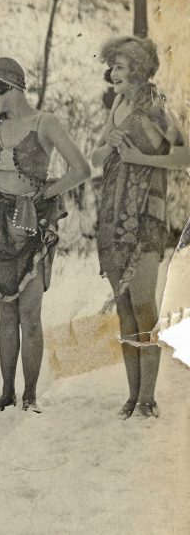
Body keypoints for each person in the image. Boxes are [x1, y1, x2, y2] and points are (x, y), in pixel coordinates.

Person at [0, 57, 91, 414]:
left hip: (32, 223)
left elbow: (81, 168)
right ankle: (6, 392)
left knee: (30, 313)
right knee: (6, 313)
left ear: (10, 89)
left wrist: (49, 191)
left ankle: (29, 395)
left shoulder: (45, 123)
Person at [91, 36, 188, 419]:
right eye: (111, 65)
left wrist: (140, 157)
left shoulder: (155, 104)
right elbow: (97, 156)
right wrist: (111, 145)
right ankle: (132, 396)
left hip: (147, 211)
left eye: (118, 66)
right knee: (126, 306)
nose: (111, 72)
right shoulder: (117, 103)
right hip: (113, 212)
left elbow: (184, 154)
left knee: (145, 301)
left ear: (136, 67)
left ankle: (148, 397)